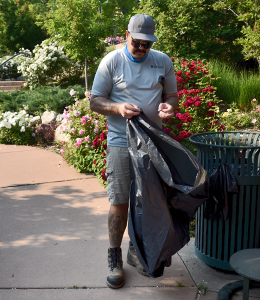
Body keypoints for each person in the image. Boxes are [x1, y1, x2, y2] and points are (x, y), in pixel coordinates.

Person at [90, 14, 179, 289]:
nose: (142, 48)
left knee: (149, 201)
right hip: (120, 141)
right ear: (126, 36)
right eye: (137, 43)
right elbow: (95, 101)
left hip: (153, 142)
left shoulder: (162, 61)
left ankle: (136, 251)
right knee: (120, 199)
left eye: (147, 44)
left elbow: (171, 95)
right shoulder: (112, 61)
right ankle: (114, 255)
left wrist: (169, 107)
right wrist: (117, 108)